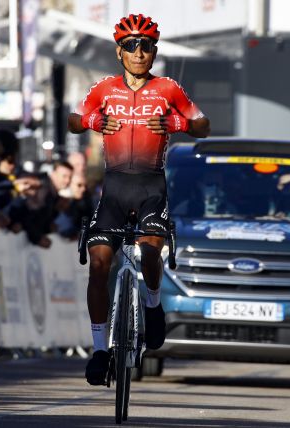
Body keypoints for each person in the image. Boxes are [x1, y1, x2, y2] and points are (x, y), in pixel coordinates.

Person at [67, 13, 210, 386]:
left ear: (155, 51)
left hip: (151, 188)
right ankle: (100, 351)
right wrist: (94, 122)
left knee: (149, 251)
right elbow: (72, 120)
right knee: (98, 265)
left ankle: (152, 304)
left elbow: (203, 126)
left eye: (146, 45)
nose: (139, 51)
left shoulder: (168, 88)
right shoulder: (104, 88)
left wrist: (178, 124)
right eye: (131, 45)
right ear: (119, 51)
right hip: (113, 189)